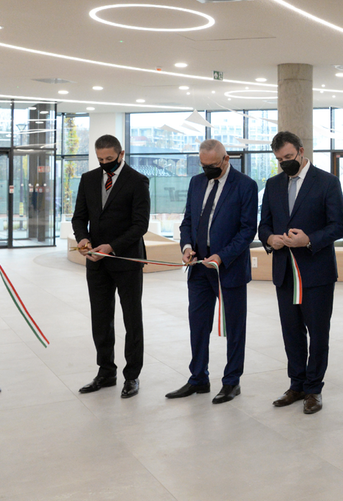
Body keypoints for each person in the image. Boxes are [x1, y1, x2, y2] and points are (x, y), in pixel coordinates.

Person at [258, 131, 343, 414]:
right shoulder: (273, 185)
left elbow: (338, 226)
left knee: (318, 333)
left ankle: (313, 388)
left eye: (288, 157)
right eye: (279, 159)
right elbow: (264, 224)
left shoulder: (327, 182)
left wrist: (308, 240)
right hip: (284, 271)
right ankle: (296, 385)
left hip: (316, 271)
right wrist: (270, 238)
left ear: (301, 151)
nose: (285, 162)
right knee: (291, 332)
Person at [166, 139, 258, 405]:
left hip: (228, 269)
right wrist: (186, 247)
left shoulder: (245, 185)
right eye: (203, 165)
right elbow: (188, 221)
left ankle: (231, 382)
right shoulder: (197, 183)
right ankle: (198, 378)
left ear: (226, 159)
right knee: (198, 325)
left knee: (234, 328)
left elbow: (247, 230)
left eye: (213, 165)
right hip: (198, 270)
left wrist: (222, 256)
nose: (207, 170)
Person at [72, 134, 150, 399]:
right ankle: (106, 372)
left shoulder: (137, 181)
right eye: (100, 159)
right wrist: (83, 239)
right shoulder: (88, 179)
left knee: (132, 319)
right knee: (101, 318)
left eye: (109, 158)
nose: (105, 163)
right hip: (96, 262)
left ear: (121, 154)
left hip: (126, 261)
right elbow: (79, 217)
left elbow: (140, 225)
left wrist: (112, 247)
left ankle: (132, 376)